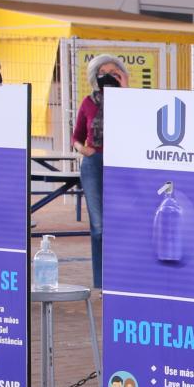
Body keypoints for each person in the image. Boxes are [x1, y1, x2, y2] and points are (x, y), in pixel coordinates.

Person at [72, 55, 129, 288]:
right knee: (99, 226)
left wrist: (125, 91)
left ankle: (124, 278)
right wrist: (85, 151)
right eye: (104, 73)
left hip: (123, 164)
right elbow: (75, 137)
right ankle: (103, 282)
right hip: (94, 163)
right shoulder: (88, 102)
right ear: (95, 77)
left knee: (125, 222)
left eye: (115, 73)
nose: (109, 77)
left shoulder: (133, 102)